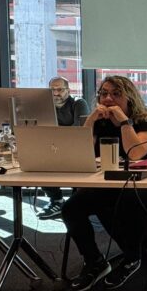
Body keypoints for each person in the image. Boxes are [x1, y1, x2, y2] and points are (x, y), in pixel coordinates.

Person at [62, 76, 147, 291]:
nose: (108, 99)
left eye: (116, 94)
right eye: (104, 93)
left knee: (122, 202)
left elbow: (135, 154)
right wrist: (91, 120)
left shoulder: (146, 121)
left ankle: (133, 257)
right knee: (71, 208)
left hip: (142, 185)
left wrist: (124, 122)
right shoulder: (100, 122)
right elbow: (79, 152)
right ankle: (95, 261)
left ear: (129, 98)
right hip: (106, 182)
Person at [37, 76, 90, 220]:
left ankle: (74, 204)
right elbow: (41, 129)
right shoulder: (45, 106)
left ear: (68, 90)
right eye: (52, 90)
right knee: (39, 162)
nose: (55, 93)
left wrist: (54, 132)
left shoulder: (78, 103)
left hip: (77, 148)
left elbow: (78, 131)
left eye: (60, 89)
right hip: (53, 148)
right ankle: (56, 201)